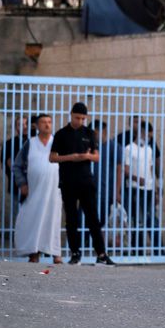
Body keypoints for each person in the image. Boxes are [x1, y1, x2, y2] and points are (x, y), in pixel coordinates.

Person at [49, 102, 115, 266]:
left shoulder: (89, 133)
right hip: (68, 181)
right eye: (77, 117)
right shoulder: (61, 134)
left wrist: (85, 156)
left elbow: (96, 156)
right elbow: (52, 157)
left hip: (86, 181)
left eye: (83, 118)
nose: (80, 121)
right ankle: (75, 254)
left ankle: (101, 254)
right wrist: (71, 157)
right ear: (71, 115)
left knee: (93, 217)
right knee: (71, 219)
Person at [12, 114, 62, 264]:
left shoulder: (58, 142)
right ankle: (34, 253)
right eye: (43, 122)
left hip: (55, 190)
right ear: (36, 125)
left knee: (53, 220)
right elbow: (17, 166)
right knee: (32, 219)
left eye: (49, 122)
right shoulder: (30, 143)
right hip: (34, 190)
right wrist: (22, 184)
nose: (47, 125)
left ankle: (55, 253)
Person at [124, 121, 160, 252]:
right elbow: (125, 170)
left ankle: (158, 250)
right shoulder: (129, 149)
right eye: (148, 135)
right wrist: (136, 179)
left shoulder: (149, 149)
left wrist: (155, 189)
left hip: (149, 190)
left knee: (152, 220)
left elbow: (151, 170)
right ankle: (138, 250)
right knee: (138, 220)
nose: (149, 138)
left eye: (150, 136)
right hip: (135, 189)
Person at [89, 120, 122, 226]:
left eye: (95, 133)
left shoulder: (113, 147)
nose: (93, 136)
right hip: (89, 191)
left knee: (102, 222)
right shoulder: (90, 148)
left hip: (105, 193)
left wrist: (116, 192)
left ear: (103, 131)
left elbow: (119, 170)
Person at [0, 115, 28, 220]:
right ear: (16, 127)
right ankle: (16, 236)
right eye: (20, 124)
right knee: (17, 216)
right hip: (16, 185)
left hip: (36, 185)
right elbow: (8, 164)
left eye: (26, 123)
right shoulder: (9, 144)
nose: (24, 127)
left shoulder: (36, 142)